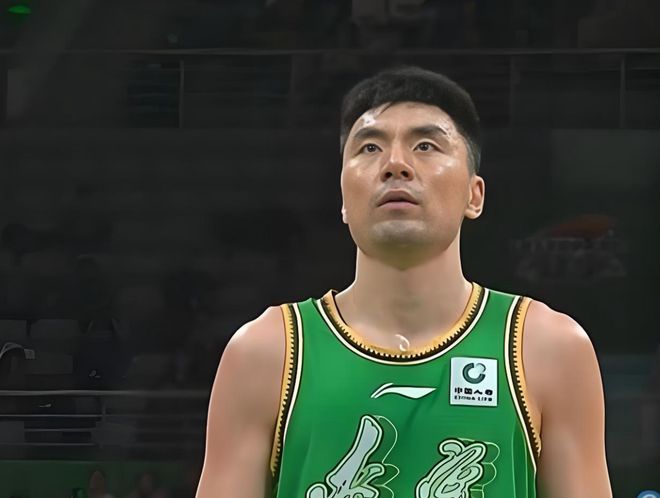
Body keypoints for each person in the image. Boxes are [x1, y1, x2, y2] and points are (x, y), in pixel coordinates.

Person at [195, 66, 612, 497]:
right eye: (370, 147)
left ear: (474, 195)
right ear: (343, 199)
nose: (395, 164)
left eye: (426, 145)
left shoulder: (548, 348)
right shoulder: (267, 352)